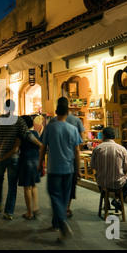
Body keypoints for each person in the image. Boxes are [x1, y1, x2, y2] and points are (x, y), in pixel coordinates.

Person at [0, 99, 41, 220]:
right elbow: (28, 135)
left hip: (0, 156)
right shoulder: (19, 120)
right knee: (12, 184)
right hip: (13, 157)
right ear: (13, 108)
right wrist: (40, 145)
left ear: (5, 108)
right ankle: (9, 211)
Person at [39, 102, 82, 241]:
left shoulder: (50, 127)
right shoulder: (73, 129)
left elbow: (43, 147)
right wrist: (78, 169)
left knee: (54, 195)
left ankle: (62, 221)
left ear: (56, 112)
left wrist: (40, 163)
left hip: (53, 168)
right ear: (68, 112)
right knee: (64, 197)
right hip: (68, 168)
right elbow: (77, 150)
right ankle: (59, 225)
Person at [1, 115, 42, 220]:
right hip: (36, 160)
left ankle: (29, 212)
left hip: (26, 161)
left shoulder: (21, 135)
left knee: (27, 187)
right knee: (33, 185)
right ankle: (36, 206)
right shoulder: (36, 133)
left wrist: (4, 157)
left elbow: (15, 150)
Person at [50, 97, 85, 219]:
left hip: (54, 160)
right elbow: (81, 142)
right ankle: (67, 208)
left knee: (55, 189)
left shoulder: (52, 122)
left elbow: (47, 142)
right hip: (71, 159)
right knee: (70, 186)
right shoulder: (76, 121)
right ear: (68, 109)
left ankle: (58, 210)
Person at [90, 127, 127, 211]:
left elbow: (92, 166)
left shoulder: (97, 149)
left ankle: (105, 201)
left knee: (98, 176)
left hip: (102, 182)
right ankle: (117, 199)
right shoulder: (121, 149)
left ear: (103, 136)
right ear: (114, 136)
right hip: (118, 183)